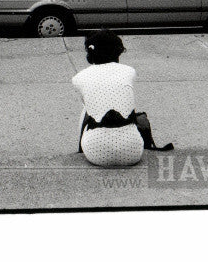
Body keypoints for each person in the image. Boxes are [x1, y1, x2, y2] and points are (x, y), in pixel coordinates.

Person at [72, 30, 172, 166]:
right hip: (133, 152)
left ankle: (81, 148)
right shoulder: (129, 71)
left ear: (90, 54)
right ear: (117, 52)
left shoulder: (79, 78)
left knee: (87, 106)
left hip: (96, 153)